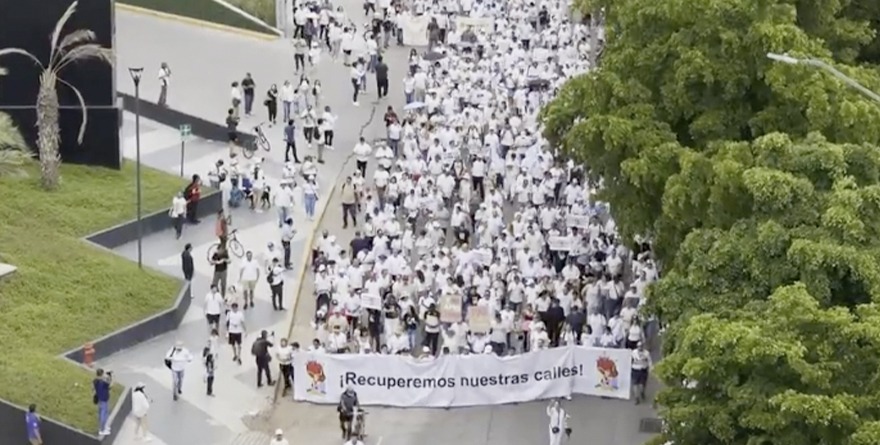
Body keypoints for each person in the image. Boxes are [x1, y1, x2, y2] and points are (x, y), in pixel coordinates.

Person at [93, 368, 112, 436]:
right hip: (104, 399)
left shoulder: (95, 381)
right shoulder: (103, 382)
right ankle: (102, 429)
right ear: (102, 374)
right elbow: (109, 384)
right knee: (104, 414)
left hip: (100, 399)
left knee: (101, 413)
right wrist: (109, 376)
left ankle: (103, 427)